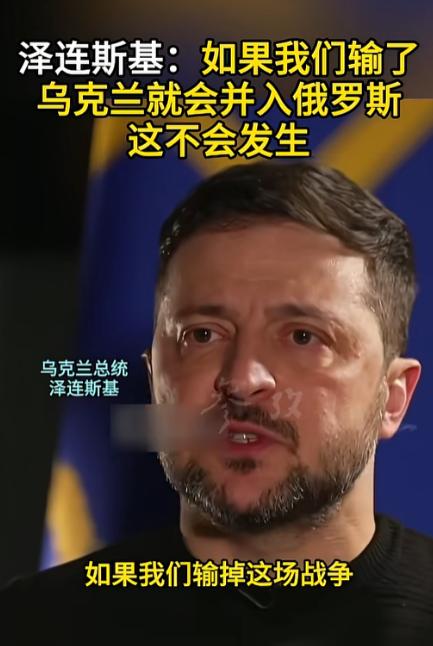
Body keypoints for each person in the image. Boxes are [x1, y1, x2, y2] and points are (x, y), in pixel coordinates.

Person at [3, 162, 433, 645]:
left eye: (303, 337)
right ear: (154, 377)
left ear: (394, 397)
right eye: (203, 335)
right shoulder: (29, 625)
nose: (243, 379)